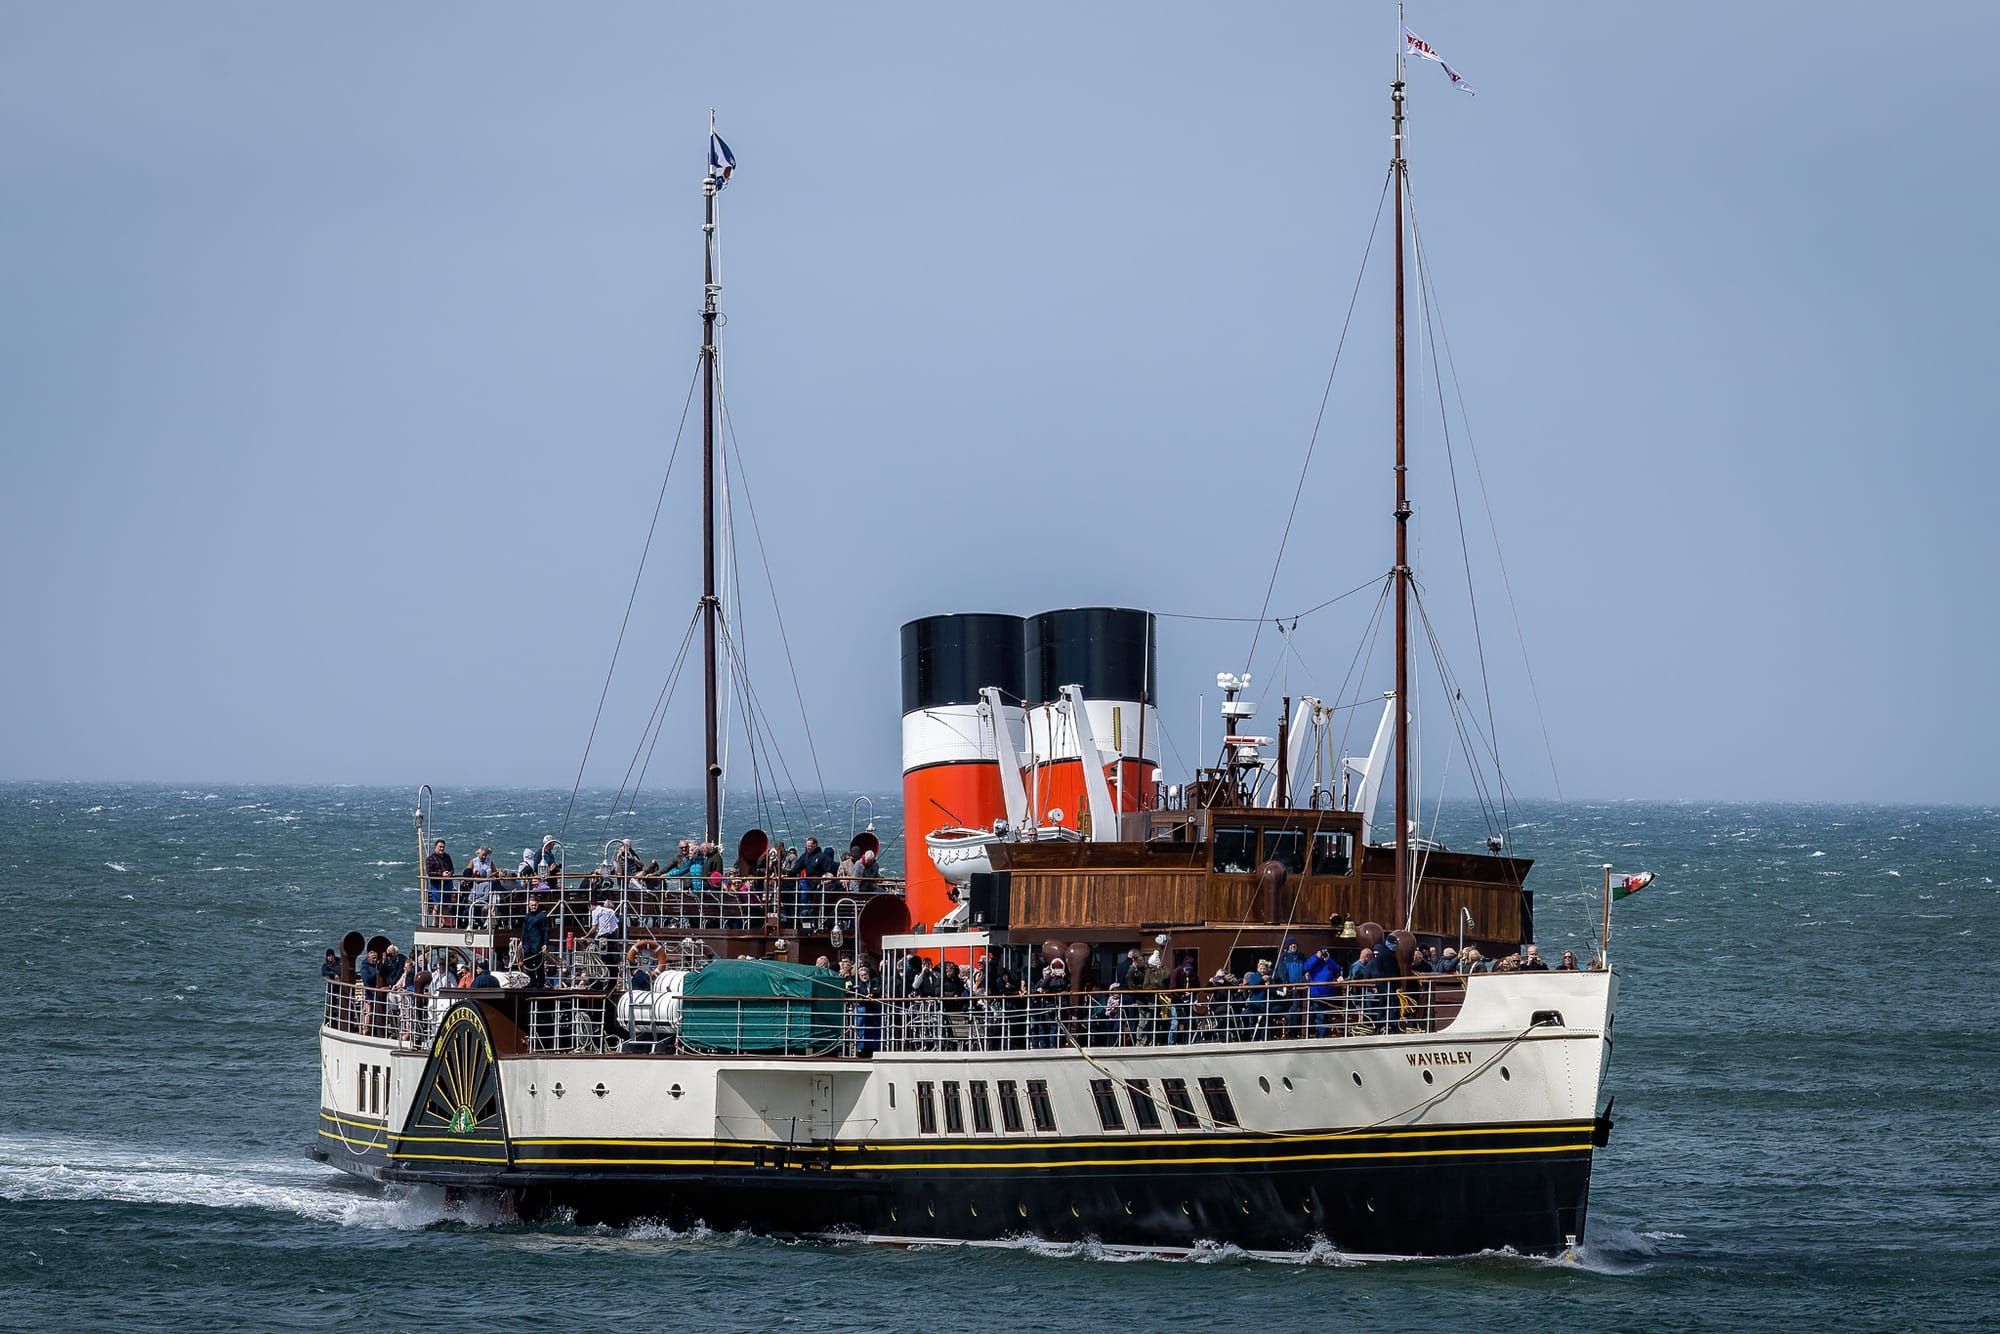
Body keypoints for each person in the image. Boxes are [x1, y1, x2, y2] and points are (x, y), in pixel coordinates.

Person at [424, 840, 455, 925]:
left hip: (447, 884)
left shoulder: (447, 857)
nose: (442, 849)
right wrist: (441, 874)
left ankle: (445, 923)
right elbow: (430, 872)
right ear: (436, 847)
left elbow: (452, 869)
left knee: (446, 905)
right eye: (440, 847)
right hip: (437, 885)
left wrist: (449, 874)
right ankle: (436, 923)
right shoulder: (430, 859)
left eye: (443, 847)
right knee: (437, 905)